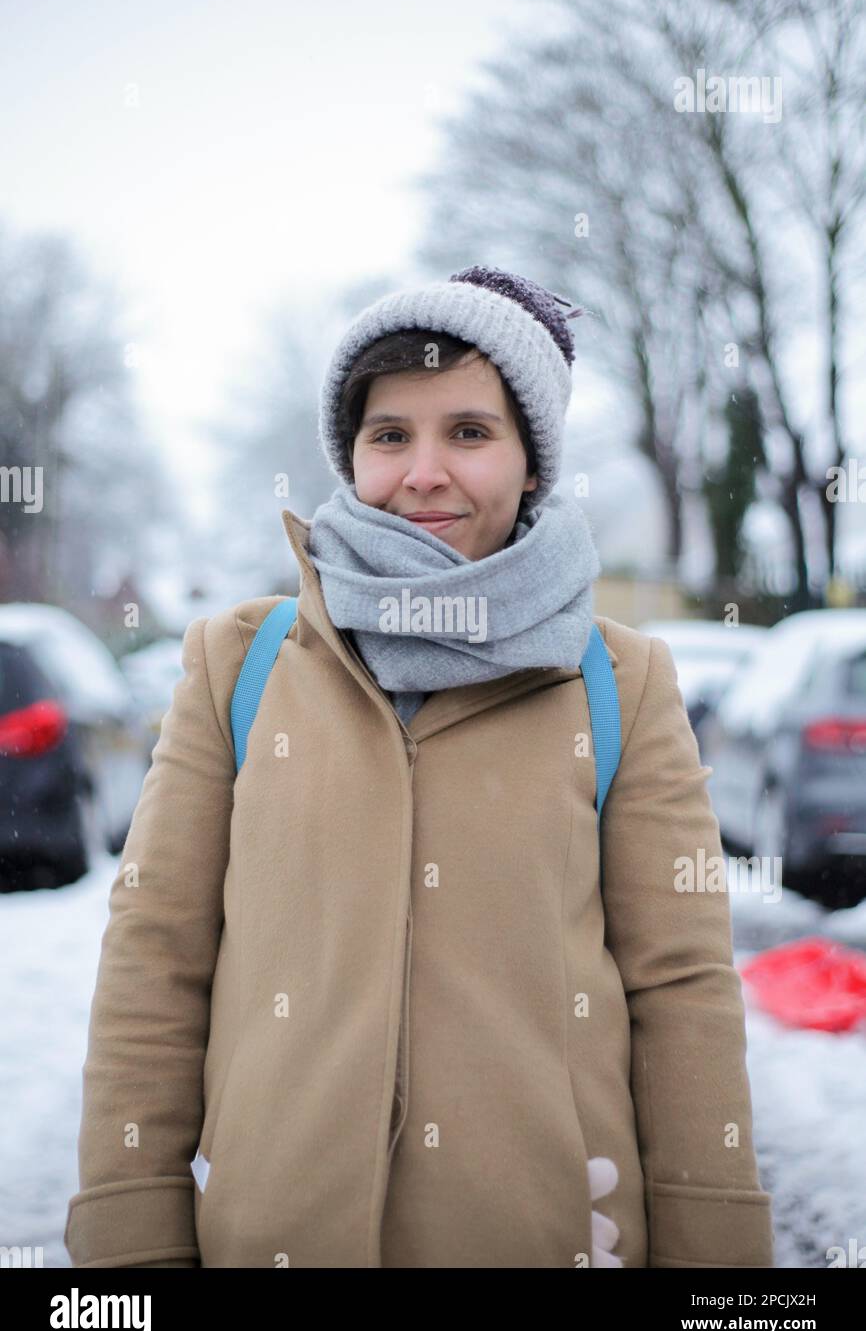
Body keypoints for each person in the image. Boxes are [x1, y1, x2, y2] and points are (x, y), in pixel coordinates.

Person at [65, 265, 775, 1268]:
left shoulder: (618, 680)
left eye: (469, 433)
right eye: (389, 435)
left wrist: (716, 1267)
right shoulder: (240, 664)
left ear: (532, 462)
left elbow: (682, 990)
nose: (423, 471)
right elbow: (155, 961)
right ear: (350, 457)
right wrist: (128, 1240)